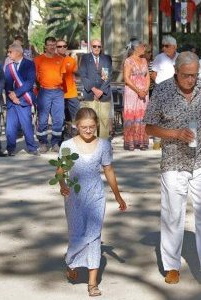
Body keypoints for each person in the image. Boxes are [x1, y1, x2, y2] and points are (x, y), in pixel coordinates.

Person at [143, 51, 201, 288]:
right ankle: (171, 267)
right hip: (173, 161)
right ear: (176, 72)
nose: (191, 79)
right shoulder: (162, 91)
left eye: (194, 75)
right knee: (172, 215)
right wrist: (175, 134)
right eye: (187, 75)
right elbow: (149, 127)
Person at [59, 107, 127, 297]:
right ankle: (71, 261)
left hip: (96, 196)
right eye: (83, 127)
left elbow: (109, 171)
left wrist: (118, 196)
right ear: (76, 126)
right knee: (76, 234)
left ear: (96, 125)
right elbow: (60, 171)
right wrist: (62, 185)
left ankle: (92, 283)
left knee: (94, 236)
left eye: (91, 127)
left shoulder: (104, 145)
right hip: (74, 197)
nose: (88, 131)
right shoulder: (68, 145)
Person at [4, 43, 39, 156]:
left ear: (18, 52)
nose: (8, 54)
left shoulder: (29, 64)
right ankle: (10, 148)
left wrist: (16, 94)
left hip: (23, 99)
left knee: (26, 125)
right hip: (12, 101)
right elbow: (7, 83)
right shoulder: (9, 67)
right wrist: (12, 96)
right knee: (10, 126)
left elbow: (30, 82)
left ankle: (32, 148)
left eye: (10, 52)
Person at [34, 36, 67, 152]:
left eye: (54, 45)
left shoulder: (61, 59)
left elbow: (63, 76)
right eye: (50, 45)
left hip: (58, 92)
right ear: (45, 46)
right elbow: (35, 77)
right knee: (42, 119)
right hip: (44, 91)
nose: (52, 47)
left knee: (58, 119)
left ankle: (55, 143)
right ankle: (43, 143)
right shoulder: (38, 59)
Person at [79, 39, 113, 138]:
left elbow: (107, 76)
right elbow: (83, 76)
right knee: (91, 121)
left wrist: (101, 91)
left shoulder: (106, 59)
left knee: (104, 121)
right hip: (90, 94)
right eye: (94, 46)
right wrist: (94, 90)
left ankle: (103, 144)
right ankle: (91, 142)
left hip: (104, 94)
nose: (97, 48)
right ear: (91, 47)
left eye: (99, 46)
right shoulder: (85, 58)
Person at [122, 38, 150, 151]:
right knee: (132, 116)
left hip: (144, 92)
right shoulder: (128, 61)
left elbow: (147, 76)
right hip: (132, 91)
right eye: (142, 46)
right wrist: (138, 90)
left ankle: (142, 141)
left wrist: (146, 89)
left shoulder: (144, 60)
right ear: (136, 48)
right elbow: (126, 78)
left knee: (142, 116)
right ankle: (131, 142)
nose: (144, 48)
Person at [56, 39, 79, 138]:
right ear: (56, 48)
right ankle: (61, 137)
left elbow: (76, 73)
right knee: (60, 117)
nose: (62, 48)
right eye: (59, 46)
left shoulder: (71, 60)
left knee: (75, 116)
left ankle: (74, 134)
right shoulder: (53, 60)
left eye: (64, 46)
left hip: (71, 92)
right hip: (58, 93)